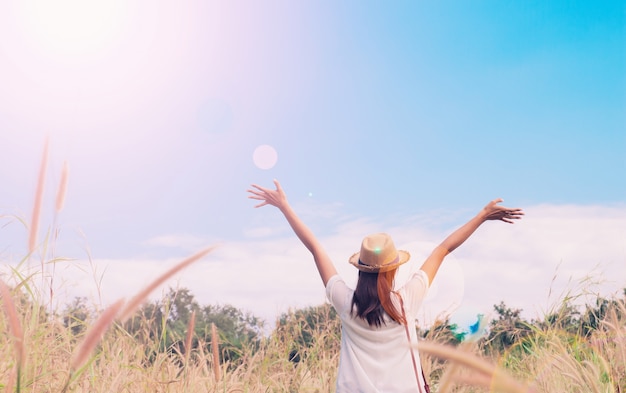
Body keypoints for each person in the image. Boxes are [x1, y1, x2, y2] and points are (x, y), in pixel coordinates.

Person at [248, 179, 524, 393]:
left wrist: (285, 206)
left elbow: (316, 249)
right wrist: (482, 216)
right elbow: (443, 249)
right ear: (394, 269)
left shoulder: (345, 303)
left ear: (361, 269)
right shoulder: (406, 301)